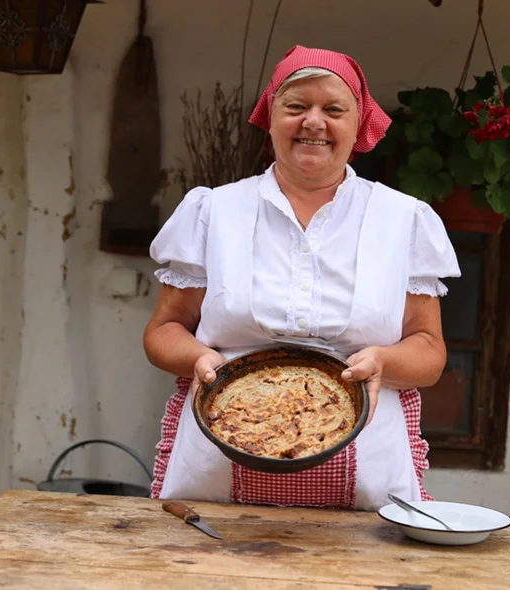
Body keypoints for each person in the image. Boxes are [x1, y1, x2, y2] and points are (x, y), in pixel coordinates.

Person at [143, 45, 461, 510]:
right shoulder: (214, 211)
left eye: (334, 109)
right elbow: (163, 330)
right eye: (296, 107)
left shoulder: (404, 220)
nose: (314, 122)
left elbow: (429, 352)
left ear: (359, 124)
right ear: (271, 118)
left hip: (368, 467)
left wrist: (382, 361)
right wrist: (198, 359)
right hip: (220, 454)